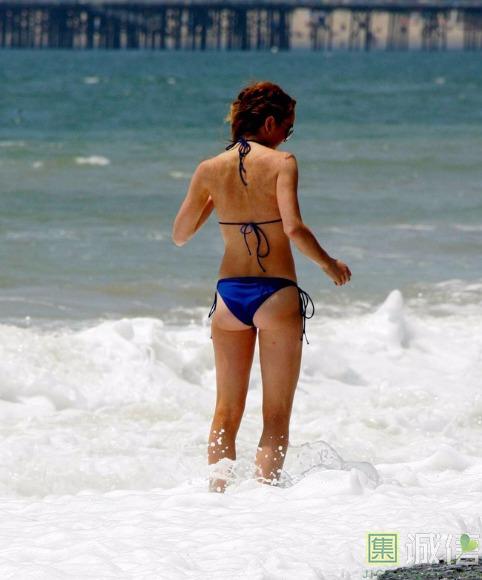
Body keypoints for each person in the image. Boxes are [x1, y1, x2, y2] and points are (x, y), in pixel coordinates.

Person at [172, 81, 351, 493]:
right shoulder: (283, 163)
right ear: (270, 123)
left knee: (225, 411)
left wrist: (215, 200)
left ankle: (217, 498)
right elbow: (294, 228)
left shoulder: (209, 168)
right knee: (275, 415)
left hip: (229, 297)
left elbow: (179, 235)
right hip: (276, 294)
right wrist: (329, 264)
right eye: (288, 127)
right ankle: (265, 503)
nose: (287, 136)